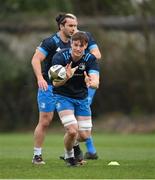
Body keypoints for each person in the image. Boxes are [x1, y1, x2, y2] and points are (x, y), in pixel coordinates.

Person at [31, 13, 101, 165]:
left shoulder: (78, 41)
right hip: (50, 84)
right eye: (70, 26)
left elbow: (96, 55)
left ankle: (73, 150)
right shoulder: (51, 42)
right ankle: (37, 155)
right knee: (45, 120)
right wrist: (40, 78)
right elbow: (36, 59)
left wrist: (86, 63)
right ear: (61, 26)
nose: (74, 29)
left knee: (77, 130)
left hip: (73, 88)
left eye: (75, 26)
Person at [52, 31, 100, 166]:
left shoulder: (90, 59)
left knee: (85, 136)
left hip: (82, 98)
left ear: (86, 46)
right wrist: (66, 76)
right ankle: (69, 156)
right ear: (71, 44)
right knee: (72, 130)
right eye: (75, 45)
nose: (78, 48)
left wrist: (90, 82)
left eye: (81, 46)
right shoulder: (60, 57)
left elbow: (96, 82)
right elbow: (55, 83)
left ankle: (74, 142)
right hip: (63, 96)